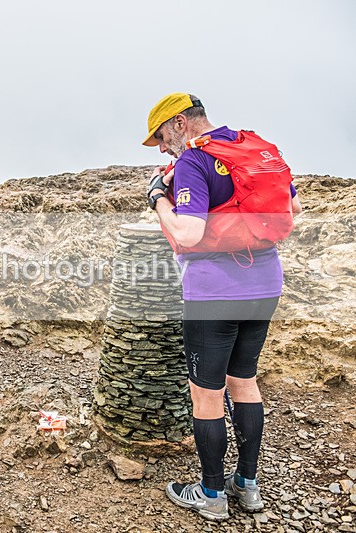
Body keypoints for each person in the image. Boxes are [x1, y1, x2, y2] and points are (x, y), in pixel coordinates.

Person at [142, 93, 302, 520]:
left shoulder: (194, 160)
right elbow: (295, 206)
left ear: (179, 123)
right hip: (265, 284)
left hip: (214, 291)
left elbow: (190, 233)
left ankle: (211, 494)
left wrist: (158, 197)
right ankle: (247, 487)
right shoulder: (255, 147)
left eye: (160, 136)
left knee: (206, 394)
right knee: (244, 382)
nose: (160, 147)